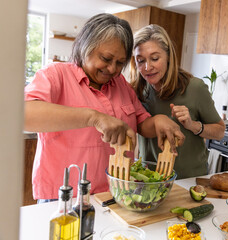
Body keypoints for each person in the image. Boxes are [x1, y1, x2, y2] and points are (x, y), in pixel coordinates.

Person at [24, 14, 185, 202]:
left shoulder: (121, 84)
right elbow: (24, 114)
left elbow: (141, 123)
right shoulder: (55, 75)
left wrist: (158, 121)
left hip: (116, 193)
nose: (111, 69)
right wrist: (94, 118)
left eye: (119, 63)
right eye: (106, 58)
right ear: (86, 47)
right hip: (65, 197)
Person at [130, 24, 225, 179]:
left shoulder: (195, 88)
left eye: (155, 58)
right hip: (149, 180)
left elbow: (220, 132)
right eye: (140, 60)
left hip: (189, 179)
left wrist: (192, 125)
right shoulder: (137, 91)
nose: (147, 67)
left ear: (168, 56)